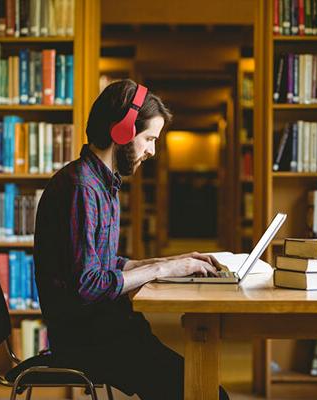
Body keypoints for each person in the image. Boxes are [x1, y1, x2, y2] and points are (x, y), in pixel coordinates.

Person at [34, 79, 229, 399]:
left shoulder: (101, 183)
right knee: (207, 393)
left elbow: (105, 265)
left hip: (109, 329)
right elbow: (88, 285)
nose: (152, 150)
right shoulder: (81, 188)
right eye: (149, 138)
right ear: (122, 132)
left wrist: (173, 262)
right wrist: (161, 271)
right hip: (90, 339)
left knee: (201, 387)